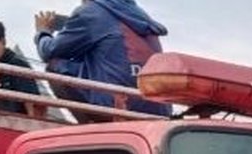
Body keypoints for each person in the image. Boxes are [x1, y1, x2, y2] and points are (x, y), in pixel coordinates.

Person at [34, 0, 170, 117]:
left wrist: (42, 32)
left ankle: (90, 127)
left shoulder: (91, 12)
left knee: (54, 64)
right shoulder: (139, 15)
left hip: (117, 107)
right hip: (158, 108)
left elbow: (50, 51)